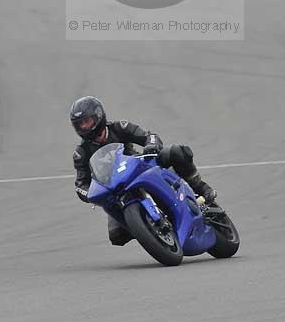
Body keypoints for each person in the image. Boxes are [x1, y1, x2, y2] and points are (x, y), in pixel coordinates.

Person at [69, 95, 217, 246]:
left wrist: (151, 145)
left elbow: (149, 136)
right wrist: (91, 194)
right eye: (80, 125)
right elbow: (81, 184)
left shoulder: (119, 127)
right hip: (116, 190)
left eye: (87, 122)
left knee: (178, 152)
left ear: (98, 117)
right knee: (116, 235)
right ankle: (150, 229)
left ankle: (200, 186)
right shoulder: (81, 153)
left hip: (140, 167)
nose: (84, 127)